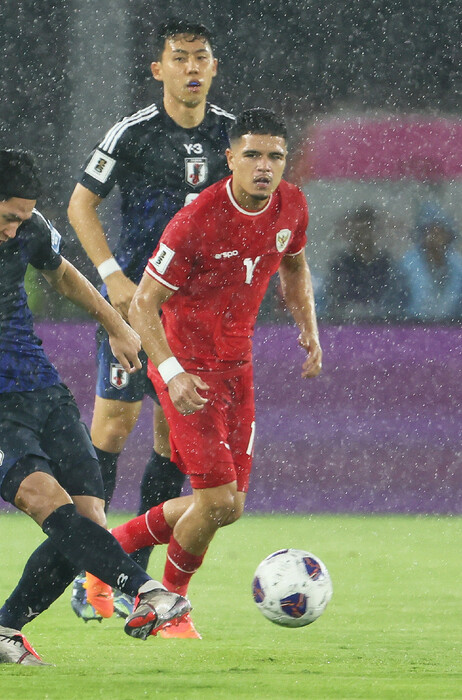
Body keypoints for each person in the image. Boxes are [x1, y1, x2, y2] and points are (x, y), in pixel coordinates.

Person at [0, 149, 191, 665]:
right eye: (8, 217)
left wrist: (116, 324)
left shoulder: (28, 228)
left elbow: (62, 273)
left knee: (89, 519)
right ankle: (145, 592)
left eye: (23, 219)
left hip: (43, 390)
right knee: (43, 498)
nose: (14, 230)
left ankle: (2, 632)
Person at [108, 108, 322, 639]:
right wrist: (173, 373)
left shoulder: (292, 205)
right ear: (229, 159)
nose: (264, 166)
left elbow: (294, 264)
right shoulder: (196, 220)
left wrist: (309, 327)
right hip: (189, 371)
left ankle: (106, 553)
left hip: (237, 369)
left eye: (275, 156)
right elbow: (142, 305)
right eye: (252, 155)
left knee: (228, 507)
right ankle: (168, 607)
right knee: (218, 501)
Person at [66, 18, 235, 620]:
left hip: (197, 318)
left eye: (201, 58)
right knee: (113, 425)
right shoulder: (134, 134)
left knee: (172, 436)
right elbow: (80, 204)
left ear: (214, 67)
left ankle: (132, 578)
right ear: (158, 69)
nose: (192, 68)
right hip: (137, 306)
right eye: (179, 58)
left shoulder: (235, 138)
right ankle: (90, 571)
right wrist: (111, 273)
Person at [323, 205, 407, 322]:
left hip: (384, 326)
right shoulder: (341, 264)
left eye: (368, 227)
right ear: (352, 232)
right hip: (348, 326)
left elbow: (396, 302)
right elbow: (335, 302)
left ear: (375, 231)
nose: (363, 233)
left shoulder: (386, 263)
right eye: (359, 228)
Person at [398, 201, 462, 321]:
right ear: (422, 234)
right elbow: (396, 306)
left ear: (449, 235)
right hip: (411, 330)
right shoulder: (407, 265)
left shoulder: (458, 266)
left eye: (440, 230)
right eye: (431, 230)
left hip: (452, 332)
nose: (435, 236)